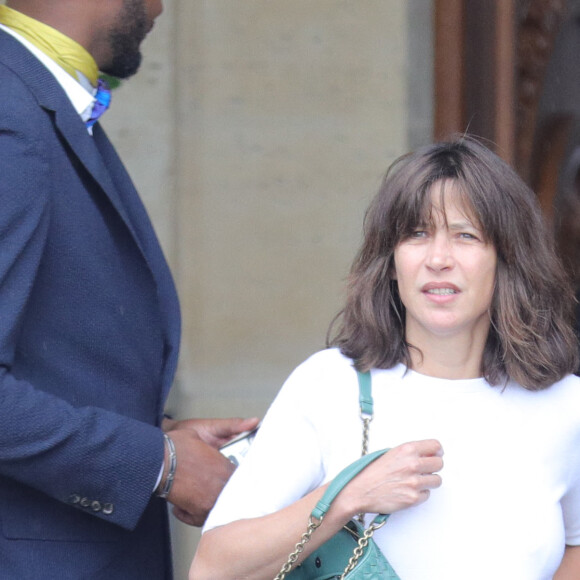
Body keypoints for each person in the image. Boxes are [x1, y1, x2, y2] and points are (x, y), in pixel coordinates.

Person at [191, 136, 580, 579]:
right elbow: (212, 569)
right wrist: (346, 498)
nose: (438, 258)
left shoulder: (566, 406)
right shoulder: (328, 385)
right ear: (391, 260)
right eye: (417, 234)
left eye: (465, 236)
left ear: (507, 258)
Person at [0, 1, 258, 579]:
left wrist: (155, 434)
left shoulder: (31, 102)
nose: (161, 5)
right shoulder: (10, 115)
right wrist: (158, 464)